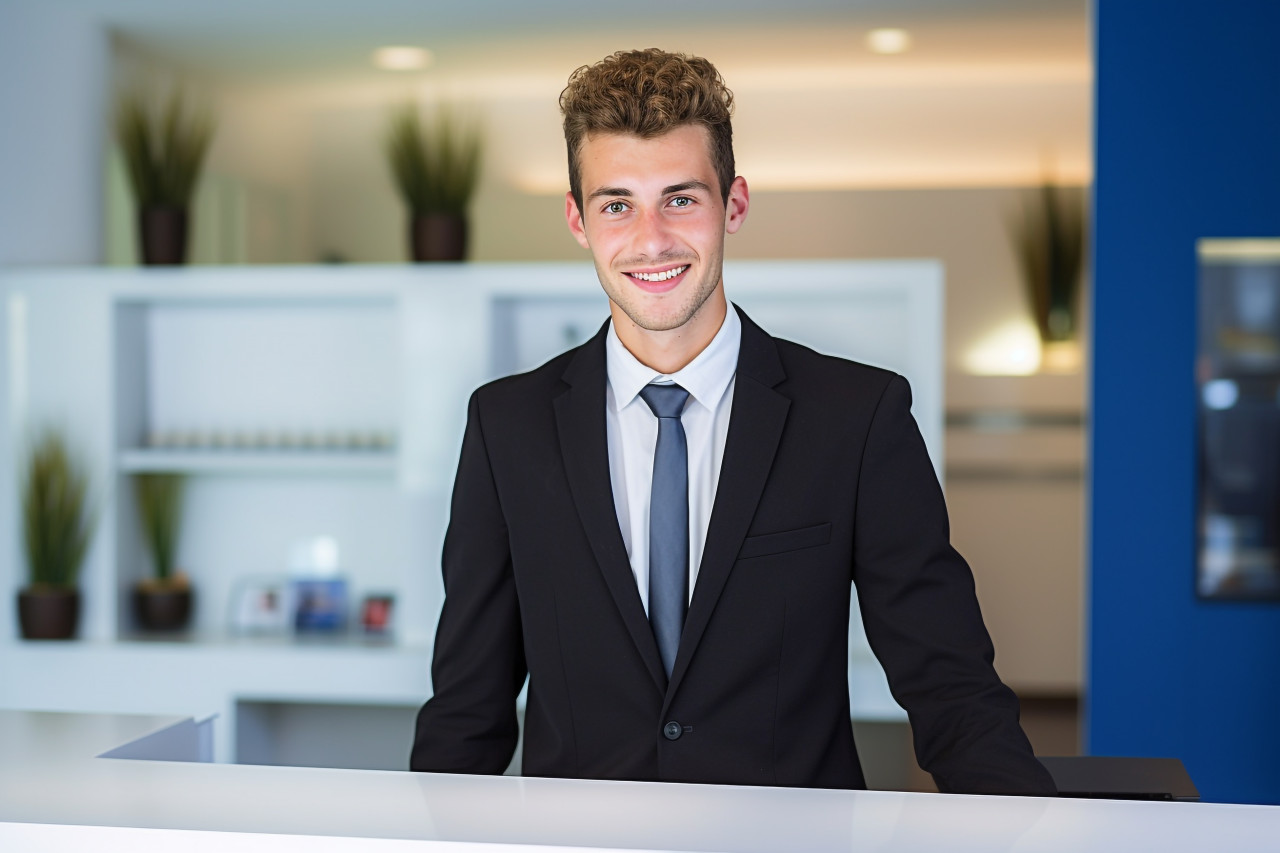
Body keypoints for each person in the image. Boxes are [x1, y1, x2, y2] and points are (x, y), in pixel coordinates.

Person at [411, 48, 1056, 796]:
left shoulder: (856, 418)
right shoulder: (507, 427)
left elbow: (950, 686)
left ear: (734, 205)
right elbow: (468, 709)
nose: (651, 239)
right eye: (617, 205)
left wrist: (1025, 829)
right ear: (578, 219)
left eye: (680, 199)